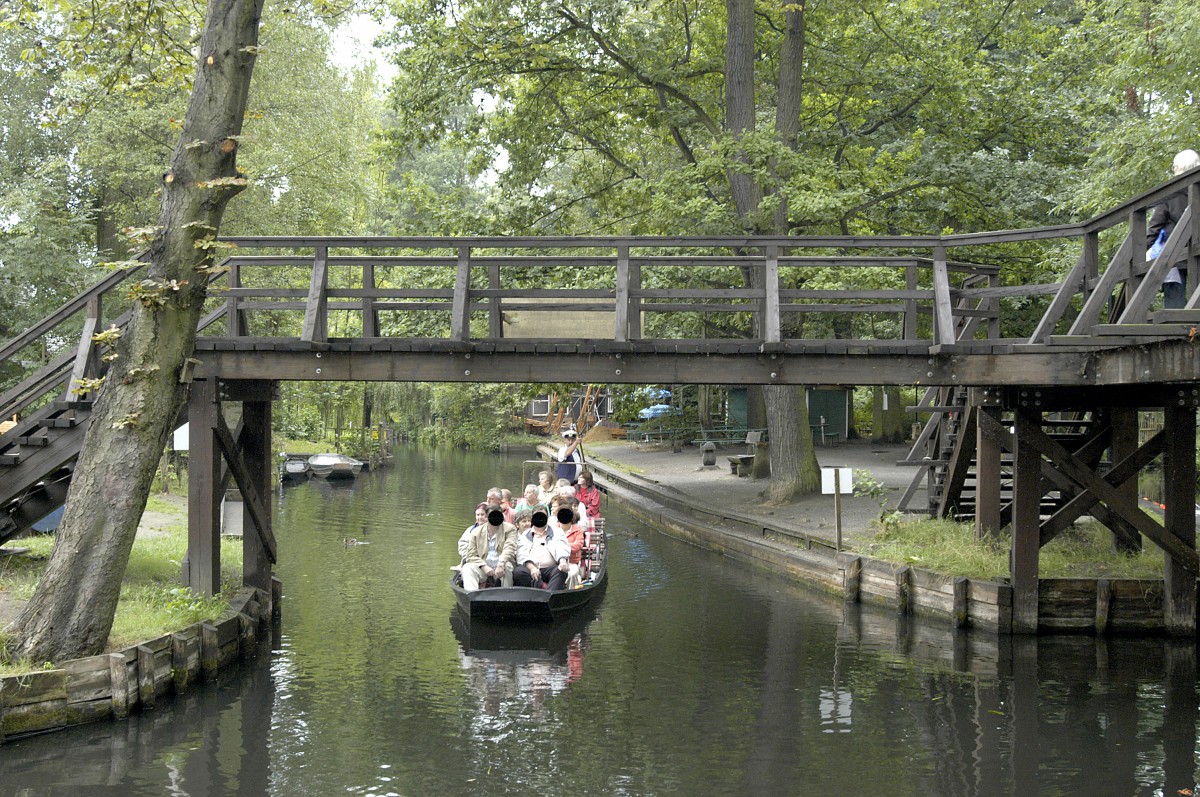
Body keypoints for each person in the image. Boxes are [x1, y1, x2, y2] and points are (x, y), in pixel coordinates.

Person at [1149, 148, 1200, 309]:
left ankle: (1176, 331)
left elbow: (1154, 227)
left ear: (1179, 168)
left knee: (1174, 305)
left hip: (1174, 256)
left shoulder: (1170, 194)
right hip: (1196, 254)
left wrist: (1142, 250)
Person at [457, 505, 518, 591]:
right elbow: (471, 555)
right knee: (467, 568)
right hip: (484, 565)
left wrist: (501, 563)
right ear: (486, 517)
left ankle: (506, 595)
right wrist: (483, 566)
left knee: (507, 567)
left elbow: (510, 547)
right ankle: (473, 596)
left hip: (502, 564)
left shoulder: (510, 529)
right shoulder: (476, 532)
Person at [514, 509, 570, 590]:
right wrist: (532, 568)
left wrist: (562, 561)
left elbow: (561, 547)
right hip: (532, 568)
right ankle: (540, 588)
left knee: (561, 571)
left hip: (550, 568)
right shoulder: (525, 534)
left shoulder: (557, 531)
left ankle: (548, 598)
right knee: (518, 572)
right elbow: (521, 554)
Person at [555, 505, 587, 589]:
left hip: (572, 562)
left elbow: (578, 546)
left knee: (572, 573)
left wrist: (562, 544)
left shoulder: (578, 530)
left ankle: (570, 592)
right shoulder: (554, 529)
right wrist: (569, 544)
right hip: (555, 562)